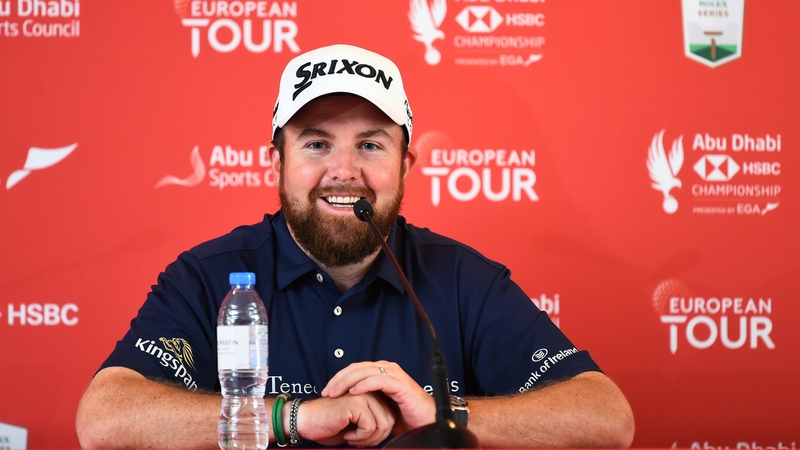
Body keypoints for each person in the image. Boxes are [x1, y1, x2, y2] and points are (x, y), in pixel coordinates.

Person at [76, 44, 634, 448]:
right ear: (277, 163)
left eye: (370, 145)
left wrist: (444, 413)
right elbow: (105, 418)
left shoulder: (463, 278)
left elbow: (607, 417)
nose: (344, 171)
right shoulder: (209, 276)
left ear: (405, 165)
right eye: (316, 144)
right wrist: (290, 417)